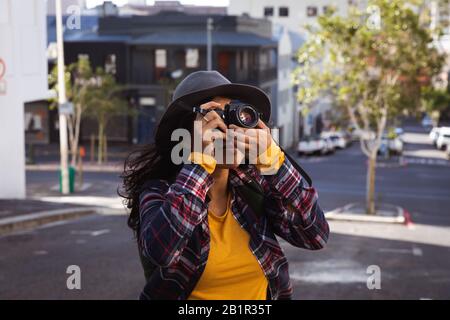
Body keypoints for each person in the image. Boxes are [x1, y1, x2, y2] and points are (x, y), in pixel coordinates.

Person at [120, 70, 329, 300]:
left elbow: (315, 235)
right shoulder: (158, 192)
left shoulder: (252, 187)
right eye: (213, 116)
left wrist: (274, 161)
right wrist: (200, 160)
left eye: (234, 114)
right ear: (186, 134)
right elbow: (162, 251)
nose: (230, 129)